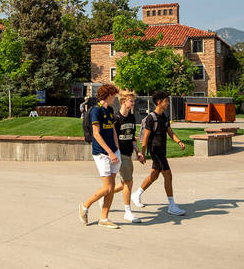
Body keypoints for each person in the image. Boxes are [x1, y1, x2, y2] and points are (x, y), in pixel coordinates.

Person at [130, 90, 187, 216]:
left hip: (162, 150)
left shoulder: (164, 116)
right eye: (166, 101)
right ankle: (171, 205)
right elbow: (145, 138)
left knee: (154, 176)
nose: (167, 103)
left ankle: (136, 194)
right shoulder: (151, 118)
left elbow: (170, 132)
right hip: (155, 151)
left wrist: (179, 141)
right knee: (168, 175)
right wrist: (143, 153)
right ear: (159, 102)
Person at [78, 83, 122, 229]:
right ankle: (85, 206)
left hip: (114, 151)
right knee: (108, 188)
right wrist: (109, 152)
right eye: (113, 96)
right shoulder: (95, 111)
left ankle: (104, 218)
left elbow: (113, 129)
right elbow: (96, 134)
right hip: (102, 153)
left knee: (111, 186)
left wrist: (116, 148)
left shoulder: (109, 109)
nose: (114, 99)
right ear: (107, 96)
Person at [110, 90, 146, 223]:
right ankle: (127, 211)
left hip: (129, 153)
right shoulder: (116, 118)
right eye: (131, 101)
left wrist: (138, 151)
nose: (133, 103)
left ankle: (105, 194)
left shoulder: (131, 117)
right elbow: (112, 138)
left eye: (134, 100)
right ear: (124, 102)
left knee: (123, 183)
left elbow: (132, 137)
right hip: (121, 154)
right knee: (129, 182)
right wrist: (116, 153)